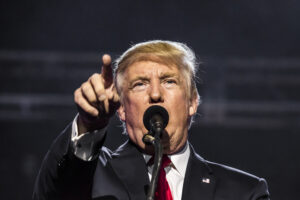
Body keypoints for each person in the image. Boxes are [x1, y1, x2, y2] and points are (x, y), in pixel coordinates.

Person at [33, 40, 270, 200]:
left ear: (192, 102)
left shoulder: (244, 192)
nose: (155, 94)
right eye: (140, 84)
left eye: (169, 81)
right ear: (122, 109)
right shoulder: (94, 175)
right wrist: (88, 125)